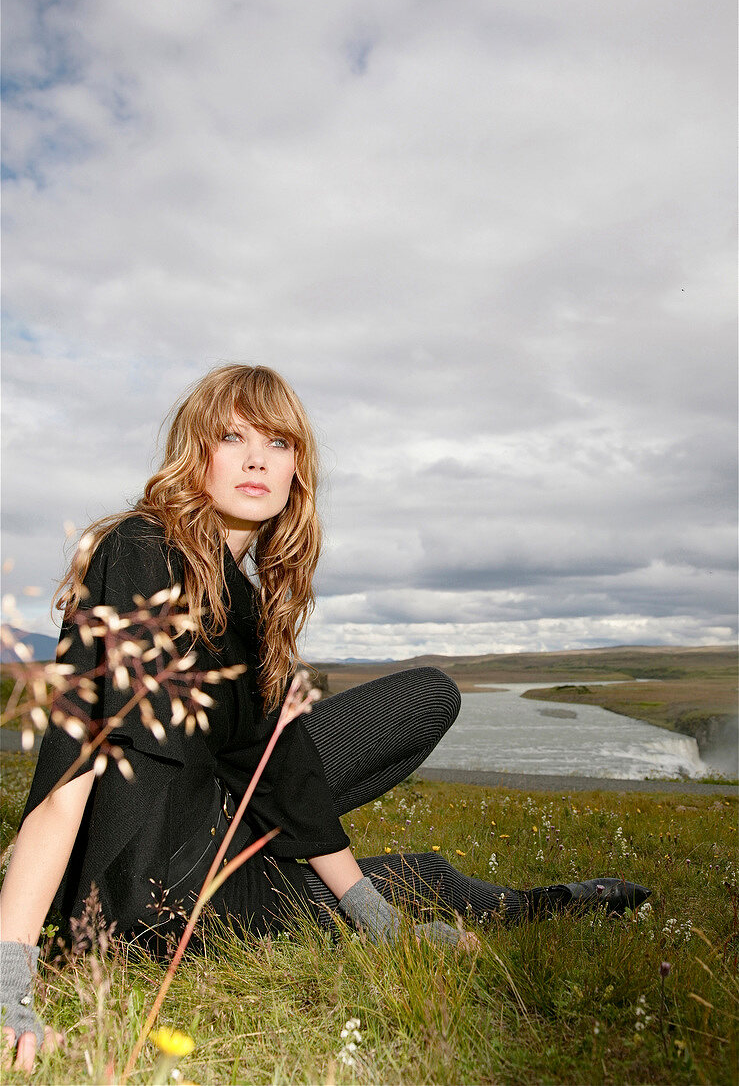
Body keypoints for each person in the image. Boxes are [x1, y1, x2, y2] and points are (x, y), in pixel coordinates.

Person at [0, 365, 650, 1071]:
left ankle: (552, 901)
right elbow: (74, 768)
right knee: (409, 760)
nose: (256, 458)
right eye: (232, 437)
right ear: (197, 455)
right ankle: (533, 904)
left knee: (416, 833)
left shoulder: (245, 602)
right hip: (148, 893)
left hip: (210, 865)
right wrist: (10, 987)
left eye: (278, 443)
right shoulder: (140, 550)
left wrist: (378, 923)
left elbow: (283, 774)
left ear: (296, 469)